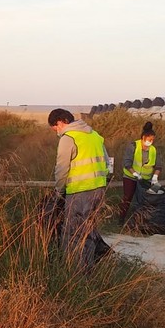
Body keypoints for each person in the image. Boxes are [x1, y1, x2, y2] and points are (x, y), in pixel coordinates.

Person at [47, 108, 110, 271]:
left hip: (79, 192)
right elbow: (107, 163)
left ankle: (74, 274)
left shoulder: (69, 138)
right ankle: (88, 269)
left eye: (55, 128)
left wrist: (58, 192)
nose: (57, 133)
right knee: (88, 230)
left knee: (73, 234)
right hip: (99, 190)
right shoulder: (95, 135)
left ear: (61, 122)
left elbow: (61, 170)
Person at [119, 121, 163, 222]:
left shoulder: (153, 150)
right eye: (149, 139)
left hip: (145, 180)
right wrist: (135, 174)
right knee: (127, 199)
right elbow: (127, 163)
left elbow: (158, 166)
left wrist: (155, 177)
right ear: (143, 138)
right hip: (130, 177)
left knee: (145, 200)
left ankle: (140, 221)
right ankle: (121, 221)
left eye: (152, 140)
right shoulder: (133, 146)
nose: (150, 142)